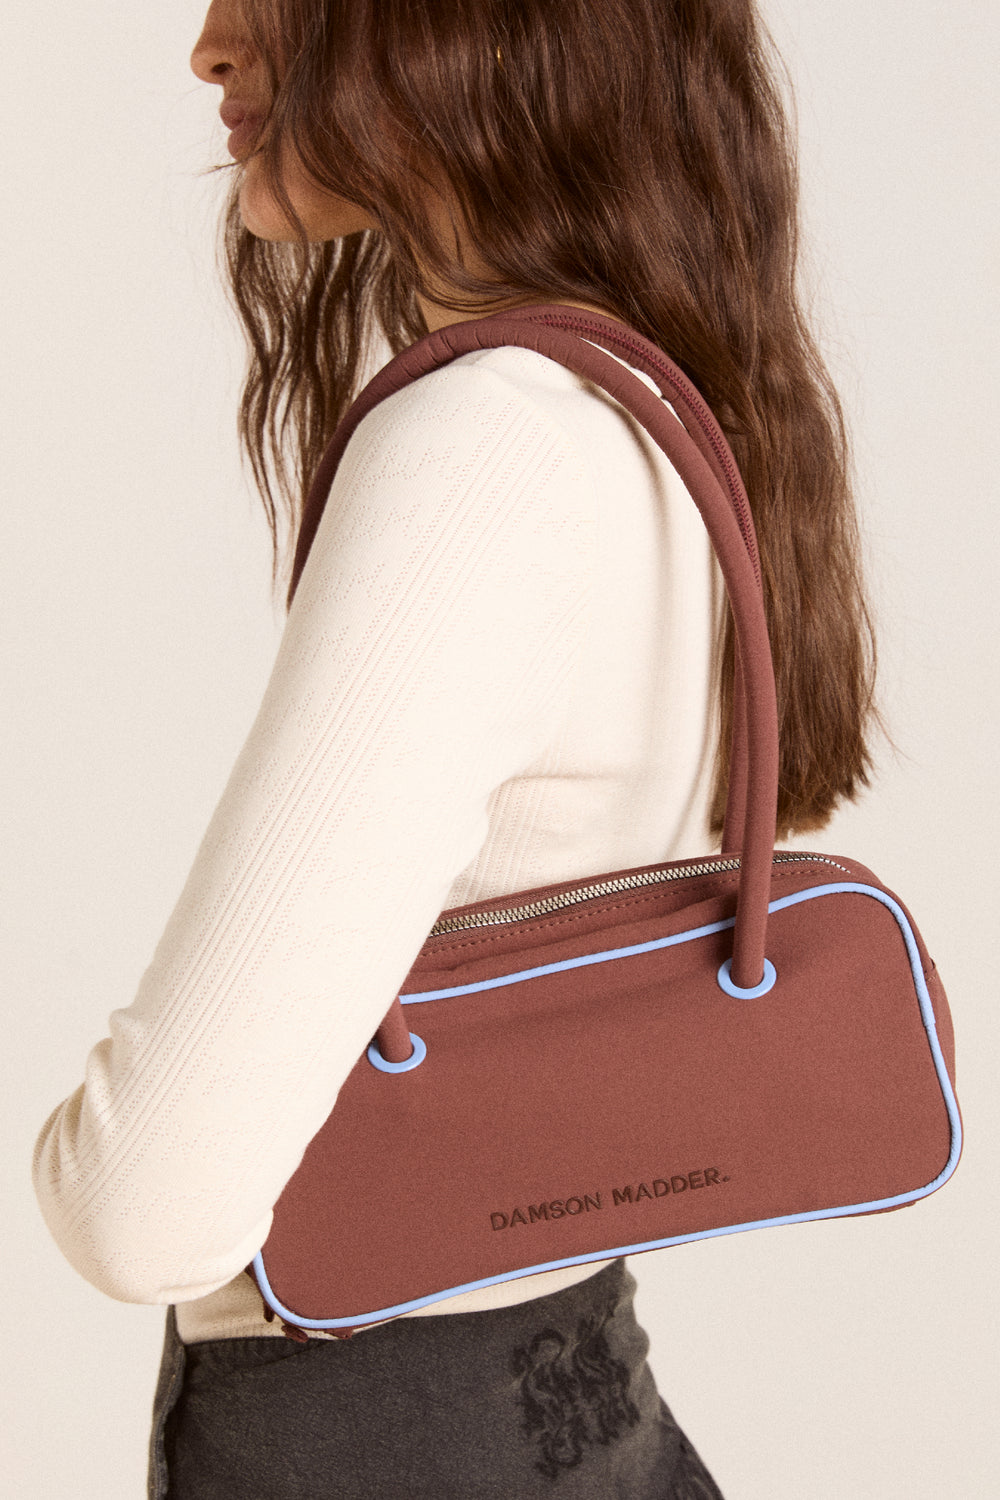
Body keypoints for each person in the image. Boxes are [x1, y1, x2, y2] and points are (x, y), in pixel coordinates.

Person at [31, 1, 877, 1495]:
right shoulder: (648, 404)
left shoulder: (486, 446)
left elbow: (138, 1207)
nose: (211, 43)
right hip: (585, 1400)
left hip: (382, 1434)